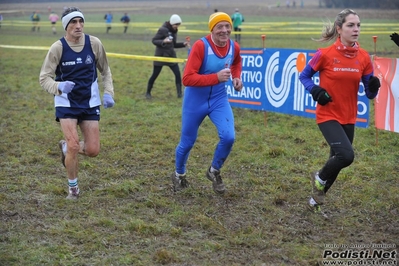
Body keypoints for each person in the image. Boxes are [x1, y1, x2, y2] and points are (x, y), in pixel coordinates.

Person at [299, 9, 380, 215]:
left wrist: (374, 85)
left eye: (358, 25)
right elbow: (304, 76)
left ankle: (314, 202)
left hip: (349, 116)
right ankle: (318, 177)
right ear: (339, 29)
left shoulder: (363, 57)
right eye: (351, 25)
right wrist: (315, 90)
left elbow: (370, 93)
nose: (356, 29)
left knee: (335, 161)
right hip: (327, 115)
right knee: (346, 156)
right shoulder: (324, 54)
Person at [39, 7, 115, 200]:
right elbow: (44, 78)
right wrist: (58, 86)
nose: (78, 26)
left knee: (92, 150)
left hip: (90, 102)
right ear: (66, 25)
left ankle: (66, 147)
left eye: (81, 21)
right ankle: (73, 189)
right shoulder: (58, 47)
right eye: (73, 22)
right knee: (74, 146)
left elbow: (105, 70)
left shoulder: (94, 43)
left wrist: (108, 93)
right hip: (66, 103)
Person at [171, 12, 243, 194]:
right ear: (212, 29)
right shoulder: (201, 46)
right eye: (220, 27)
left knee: (229, 137)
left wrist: (236, 78)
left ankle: (214, 171)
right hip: (195, 100)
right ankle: (179, 174)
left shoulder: (234, 46)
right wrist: (216, 77)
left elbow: (236, 61)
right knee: (187, 142)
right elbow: (187, 78)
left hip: (219, 99)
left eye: (227, 26)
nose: (225, 30)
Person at [146, 14, 190, 99]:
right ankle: (148, 92)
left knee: (177, 74)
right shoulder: (163, 29)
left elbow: (173, 45)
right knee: (154, 75)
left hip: (171, 56)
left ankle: (179, 94)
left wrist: (183, 44)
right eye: (176, 25)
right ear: (172, 23)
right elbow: (154, 40)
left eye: (178, 25)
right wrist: (163, 41)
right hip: (160, 56)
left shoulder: (174, 31)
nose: (177, 27)